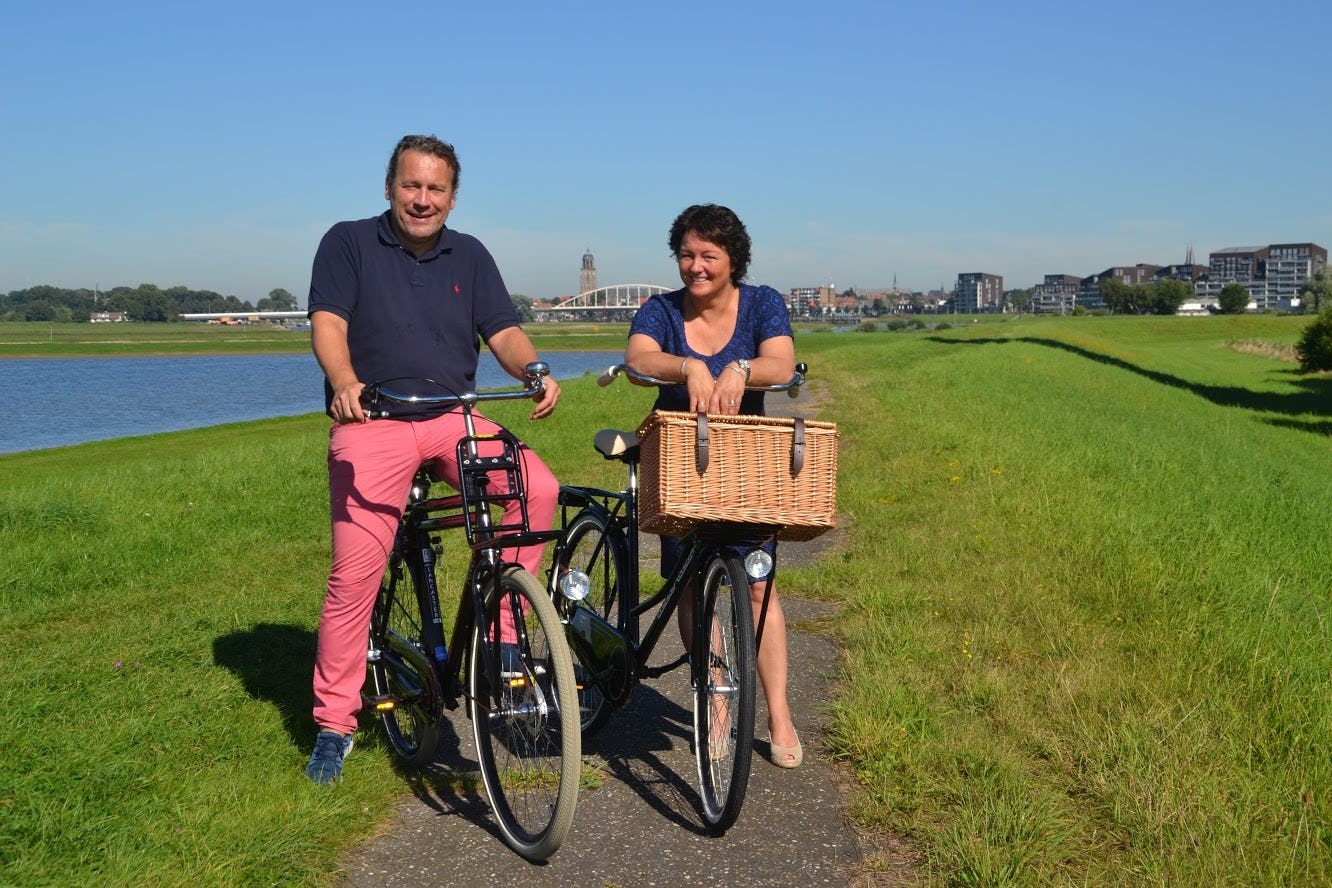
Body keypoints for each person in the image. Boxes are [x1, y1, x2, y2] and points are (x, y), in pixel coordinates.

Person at [302, 134, 561, 784]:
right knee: (356, 571)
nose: (422, 199)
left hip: (454, 416)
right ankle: (334, 724)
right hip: (376, 419)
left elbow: (501, 328)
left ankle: (501, 636)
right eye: (411, 186)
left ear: (452, 194)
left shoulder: (469, 255)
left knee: (538, 490)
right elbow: (329, 324)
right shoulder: (348, 244)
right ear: (390, 187)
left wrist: (533, 369)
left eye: (435, 188)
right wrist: (342, 381)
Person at [625, 203, 802, 768]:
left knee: (757, 584)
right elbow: (637, 360)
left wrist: (740, 368)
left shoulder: (761, 303)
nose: (695, 267)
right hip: (680, 462)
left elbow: (783, 361)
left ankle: (779, 716)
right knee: (690, 586)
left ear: (733, 260)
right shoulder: (661, 310)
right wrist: (689, 368)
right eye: (686, 255)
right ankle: (717, 704)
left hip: (745, 466)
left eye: (709, 256)